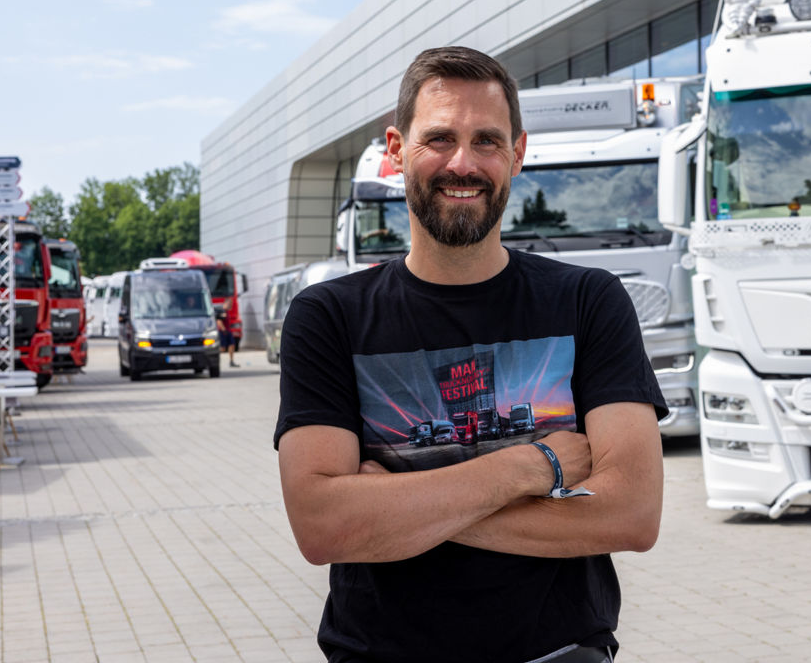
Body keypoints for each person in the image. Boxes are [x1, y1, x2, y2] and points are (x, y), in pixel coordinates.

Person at [275, 46, 666, 663]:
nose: (464, 163)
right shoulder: (328, 317)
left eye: (486, 140)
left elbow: (632, 514)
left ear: (518, 153)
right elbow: (324, 526)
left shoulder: (589, 301)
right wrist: (531, 469)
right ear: (397, 150)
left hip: (561, 653)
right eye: (439, 139)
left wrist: (396, 506)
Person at [216, 303, 238, 367]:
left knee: (232, 345)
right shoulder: (222, 311)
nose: (229, 306)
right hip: (223, 331)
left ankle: (231, 361)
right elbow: (219, 321)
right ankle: (214, 356)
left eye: (230, 305)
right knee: (223, 349)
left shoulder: (227, 311)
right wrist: (223, 329)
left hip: (228, 331)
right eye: (228, 305)